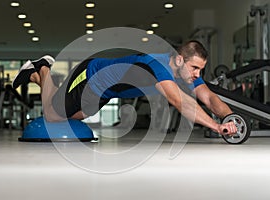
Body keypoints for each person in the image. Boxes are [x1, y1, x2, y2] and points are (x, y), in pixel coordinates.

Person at [12, 40, 237, 135]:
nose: (198, 75)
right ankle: (43, 69)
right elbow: (181, 102)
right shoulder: (157, 66)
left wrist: (230, 118)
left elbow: (209, 98)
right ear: (179, 60)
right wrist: (217, 127)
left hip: (107, 91)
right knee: (52, 114)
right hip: (92, 75)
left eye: (201, 69)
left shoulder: (186, 74)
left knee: (74, 117)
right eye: (195, 68)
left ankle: (34, 75)